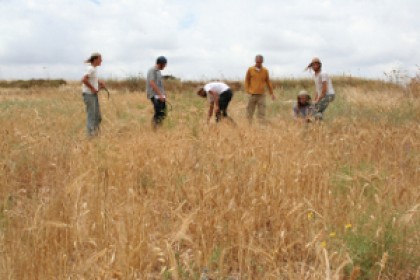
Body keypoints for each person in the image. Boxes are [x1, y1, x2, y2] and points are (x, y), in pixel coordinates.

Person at [245, 55, 276, 124]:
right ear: (255, 61)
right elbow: (247, 80)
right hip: (252, 94)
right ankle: (248, 126)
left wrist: (272, 93)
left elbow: (268, 82)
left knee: (262, 112)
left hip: (261, 95)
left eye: (260, 62)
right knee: (249, 112)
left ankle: (261, 128)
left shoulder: (265, 71)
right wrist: (247, 91)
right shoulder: (250, 70)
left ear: (262, 62)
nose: (258, 63)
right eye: (257, 62)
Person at [82, 52, 106, 136]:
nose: (101, 60)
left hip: (92, 95)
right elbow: (84, 80)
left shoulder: (94, 69)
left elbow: (91, 79)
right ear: (95, 59)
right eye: (100, 59)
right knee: (92, 116)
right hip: (89, 95)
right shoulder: (90, 69)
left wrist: (99, 82)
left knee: (98, 117)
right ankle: (90, 136)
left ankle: (95, 134)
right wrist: (92, 89)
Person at [146, 56, 168, 129]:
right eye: (164, 65)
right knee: (158, 113)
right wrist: (160, 95)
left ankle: (158, 127)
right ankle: (155, 129)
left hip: (160, 95)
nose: (165, 66)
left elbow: (159, 85)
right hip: (155, 95)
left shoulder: (158, 71)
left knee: (163, 112)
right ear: (160, 64)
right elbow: (152, 83)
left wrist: (163, 95)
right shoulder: (152, 70)